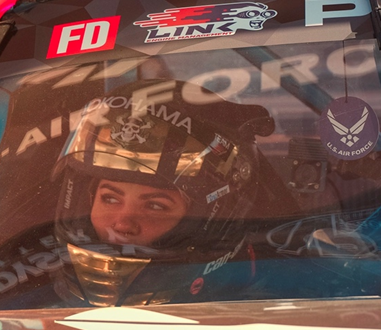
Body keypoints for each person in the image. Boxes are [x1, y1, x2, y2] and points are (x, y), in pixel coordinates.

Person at [53, 78, 274, 306]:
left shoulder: (280, 300)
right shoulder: (34, 300)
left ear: (212, 219)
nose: (123, 224)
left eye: (155, 205)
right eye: (110, 198)